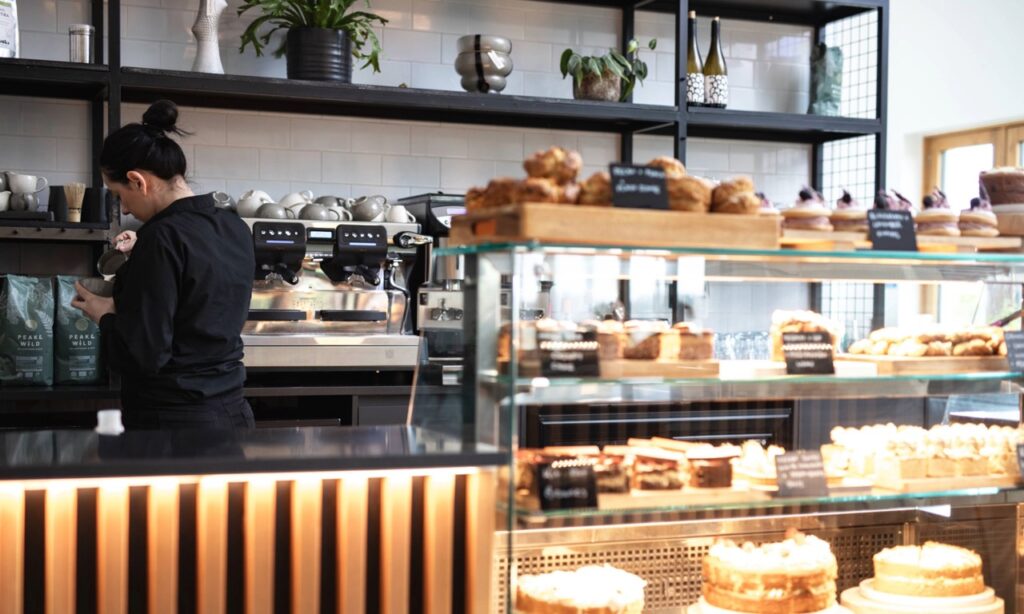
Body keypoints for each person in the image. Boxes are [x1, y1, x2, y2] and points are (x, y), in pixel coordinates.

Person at [73, 100, 256, 429]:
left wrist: (105, 315)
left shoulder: (161, 237)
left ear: (137, 181)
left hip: (175, 425)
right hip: (232, 414)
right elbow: (195, 300)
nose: (124, 208)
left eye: (118, 194)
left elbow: (145, 354)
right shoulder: (233, 226)